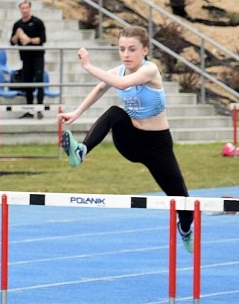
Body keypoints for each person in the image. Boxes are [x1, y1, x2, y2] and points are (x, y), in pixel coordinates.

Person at [59, 25, 194, 253]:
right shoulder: (120, 70)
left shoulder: (150, 71)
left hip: (157, 146)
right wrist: (76, 112)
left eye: (132, 49)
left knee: (183, 202)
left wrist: (89, 65)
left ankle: (186, 228)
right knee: (115, 112)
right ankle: (81, 151)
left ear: (145, 50)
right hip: (131, 141)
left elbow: (120, 85)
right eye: (122, 49)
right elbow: (101, 88)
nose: (126, 55)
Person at [10, 0, 46, 117]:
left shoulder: (37, 22)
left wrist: (28, 40)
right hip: (25, 58)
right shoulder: (18, 24)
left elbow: (42, 39)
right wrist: (17, 34)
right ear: (20, 9)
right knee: (28, 83)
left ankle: (39, 109)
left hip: (37, 57)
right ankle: (30, 109)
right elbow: (12, 42)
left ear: (30, 8)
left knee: (39, 81)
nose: (24, 10)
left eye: (26, 8)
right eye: (22, 8)